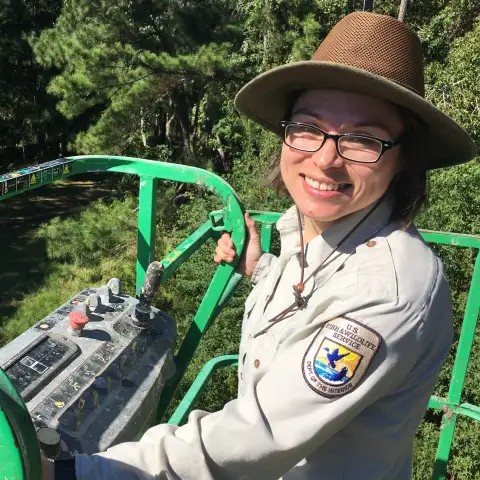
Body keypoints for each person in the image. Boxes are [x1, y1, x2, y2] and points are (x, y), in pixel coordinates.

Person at [44, 11, 476, 480]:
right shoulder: (311, 232)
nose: (326, 158)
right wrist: (263, 268)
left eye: (363, 139)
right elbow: (316, 304)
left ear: (403, 157)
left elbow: (253, 439)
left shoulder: (392, 288)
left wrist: (76, 473)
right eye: (309, 127)